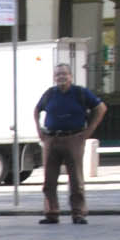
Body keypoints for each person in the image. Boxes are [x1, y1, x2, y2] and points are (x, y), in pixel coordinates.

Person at [34, 62, 105, 224]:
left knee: (76, 179)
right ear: (54, 77)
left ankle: (78, 213)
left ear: (70, 76)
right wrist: (39, 131)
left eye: (64, 74)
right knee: (49, 179)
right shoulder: (50, 94)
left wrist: (89, 131)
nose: (61, 77)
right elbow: (37, 110)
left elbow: (101, 108)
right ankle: (51, 213)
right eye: (58, 74)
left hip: (74, 138)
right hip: (51, 139)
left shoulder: (80, 93)